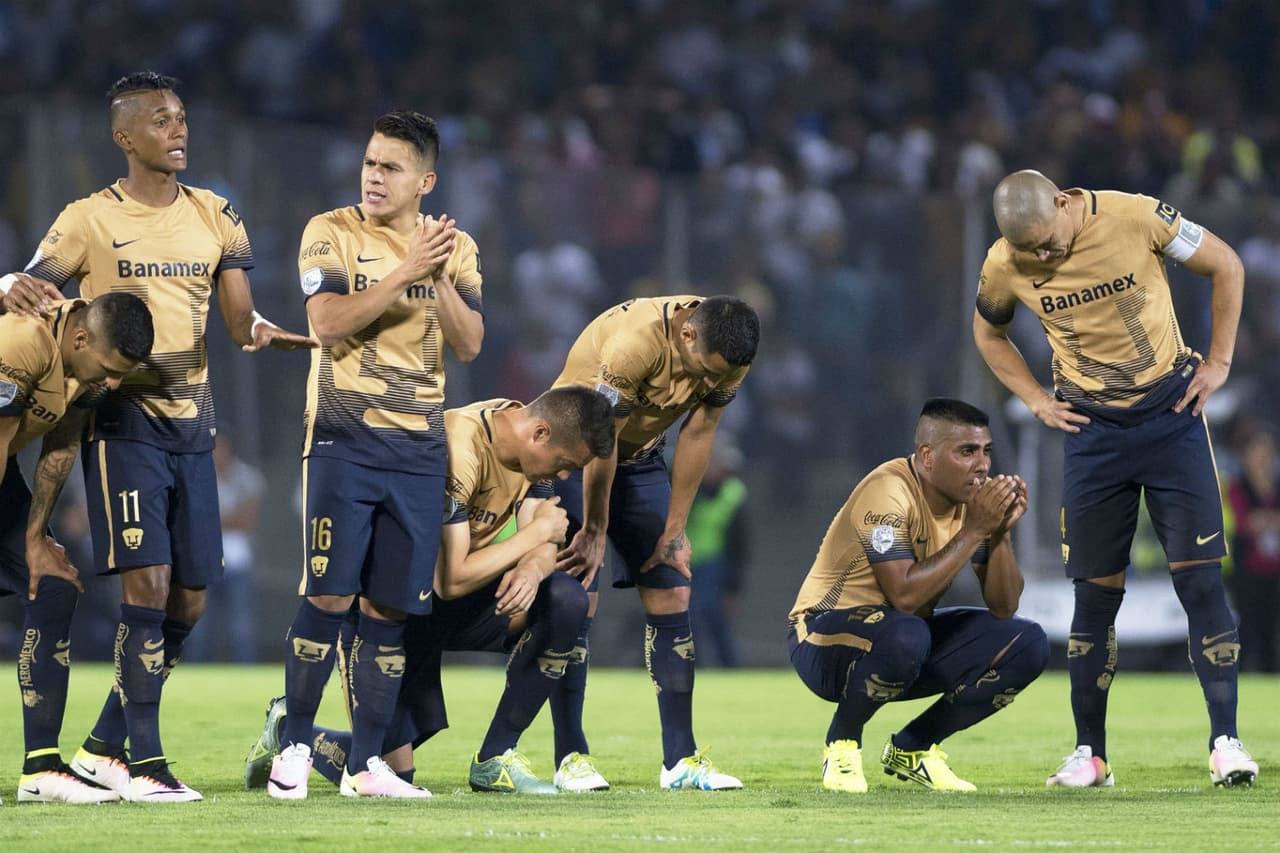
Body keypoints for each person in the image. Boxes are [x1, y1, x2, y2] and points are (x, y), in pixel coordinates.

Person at [1, 71, 316, 803]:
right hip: (121, 421)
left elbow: (238, 319)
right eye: (161, 120)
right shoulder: (87, 218)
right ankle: (146, 763)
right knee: (147, 583)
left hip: (193, 424)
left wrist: (261, 329)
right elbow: (34, 294)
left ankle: (103, 746)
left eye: (181, 117)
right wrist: (9, 281)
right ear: (124, 136)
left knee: (190, 600)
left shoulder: (216, 213)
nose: (178, 131)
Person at [973, 169, 1259, 787]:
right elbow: (988, 333)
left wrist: (1219, 362)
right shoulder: (1003, 262)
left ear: (1062, 202)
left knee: (1200, 583)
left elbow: (1226, 265)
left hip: (1172, 417)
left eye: (1047, 242)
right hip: (1092, 434)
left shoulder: (1136, 216)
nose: (1043, 257)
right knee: (1095, 598)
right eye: (1031, 252)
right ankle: (1090, 755)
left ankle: (1226, 743)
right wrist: (1035, 398)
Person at [244, 387, 616, 796]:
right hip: (396, 609)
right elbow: (451, 578)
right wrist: (534, 537)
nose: (563, 477)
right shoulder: (461, 448)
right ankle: (288, 729)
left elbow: (547, 534)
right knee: (392, 774)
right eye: (564, 464)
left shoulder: (526, 445)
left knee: (566, 600)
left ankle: (495, 756)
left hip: (460, 604)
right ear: (539, 434)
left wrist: (532, 566)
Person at [270, 109, 483, 800]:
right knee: (329, 594)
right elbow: (327, 324)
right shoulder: (329, 231)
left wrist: (437, 274)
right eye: (369, 162)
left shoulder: (456, 246)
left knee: (390, 610)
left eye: (391, 167)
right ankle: (294, 747)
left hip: (418, 450)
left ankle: (365, 765)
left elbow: (470, 343)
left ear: (426, 181)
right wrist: (405, 271)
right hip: (344, 441)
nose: (374, 176)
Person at [551, 294, 759, 790]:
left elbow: (699, 432)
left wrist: (675, 528)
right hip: (574, 454)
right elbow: (601, 440)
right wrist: (594, 529)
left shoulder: (730, 352)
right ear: (687, 334)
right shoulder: (634, 344)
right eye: (705, 371)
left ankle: (679, 762)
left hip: (641, 458)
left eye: (720, 376)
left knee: (673, 590)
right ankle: (570, 758)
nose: (709, 383)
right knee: (578, 598)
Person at [789, 398, 1049, 793]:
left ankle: (913, 748)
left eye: (986, 451)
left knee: (1027, 643)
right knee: (907, 632)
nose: (982, 465)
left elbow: (1004, 605)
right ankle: (841, 744)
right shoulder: (888, 491)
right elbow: (905, 596)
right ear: (927, 456)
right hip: (821, 640)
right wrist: (975, 530)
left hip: (904, 643)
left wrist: (999, 533)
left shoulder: (971, 506)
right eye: (967, 452)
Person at [0, 292, 153, 803]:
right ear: (81, 339)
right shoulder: (24, 341)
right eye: (109, 370)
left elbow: (61, 444)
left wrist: (36, 538)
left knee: (54, 584)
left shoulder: (86, 366)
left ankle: (41, 770)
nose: (113, 384)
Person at [687, 438, 748, 668]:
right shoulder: (691, 487)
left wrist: (733, 587)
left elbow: (739, 544)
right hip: (687, 561)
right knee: (691, 617)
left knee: (712, 616)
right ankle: (695, 664)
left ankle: (728, 664)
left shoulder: (734, 493)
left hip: (714, 563)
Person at [1225, 428, 1280, 673]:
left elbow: (1256, 520)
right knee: (1247, 623)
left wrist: (1262, 520)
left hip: (1274, 569)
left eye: (1268, 452)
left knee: (1272, 625)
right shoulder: (1238, 486)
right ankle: (1244, 672)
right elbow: (1244, 522)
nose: (1263, 458)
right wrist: (1270, 520)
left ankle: (1270, 671)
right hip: (1247, 568)